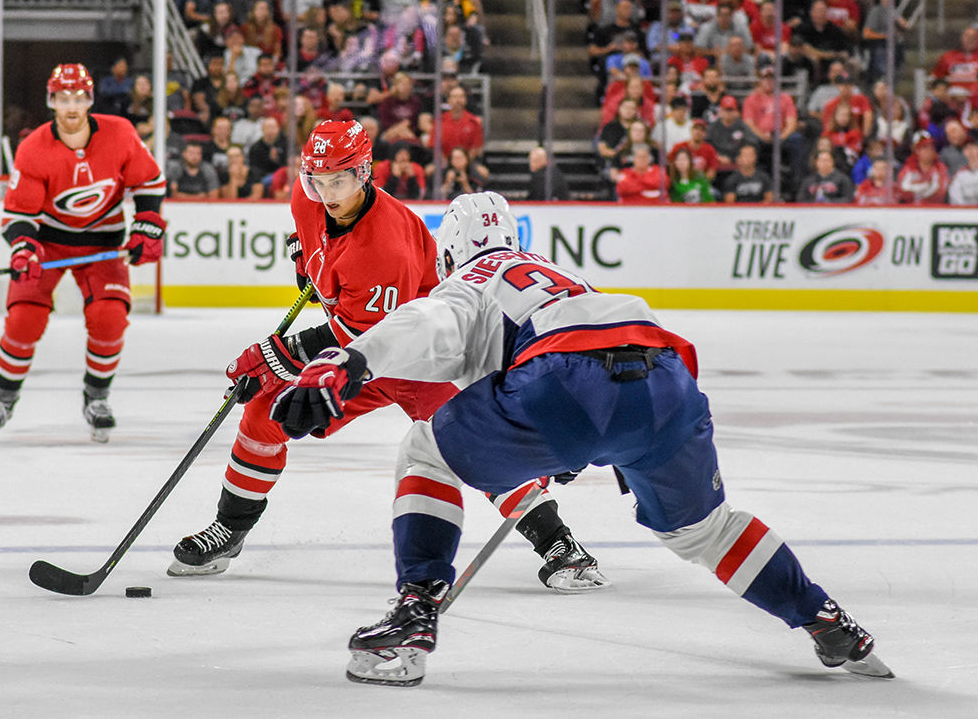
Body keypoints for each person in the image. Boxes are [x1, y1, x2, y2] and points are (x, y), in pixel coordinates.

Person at [265, 192, 887, 687]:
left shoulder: (472, 278)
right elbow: (610, 341)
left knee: (427, 448)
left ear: (451, 253)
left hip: (563, 382)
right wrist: (591, 436)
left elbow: (428, 323)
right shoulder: (564, 276)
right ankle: (826, 620)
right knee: (707, 529)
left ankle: (416, 607)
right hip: (665, 377)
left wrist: (347, 364)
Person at [168, 120, 609, 594]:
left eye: (338, 180)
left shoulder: (387, 246)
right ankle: (230, 529)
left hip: (420, 354)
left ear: (364, 172)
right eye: (317, 180)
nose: (327, 192)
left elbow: (362, 340)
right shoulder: (308, 198)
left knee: (473, 440)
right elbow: (312, 240)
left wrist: (277, 355)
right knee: (263, 414)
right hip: (362, 344)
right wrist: (306, 259)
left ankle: (560, 544)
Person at [0, 64, 166, 443]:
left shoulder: (120, 133)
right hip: (48, 245)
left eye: (79, 98)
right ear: (51, 101)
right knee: (23, 322)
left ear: (91, 100)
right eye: (63, 99)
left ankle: (96, 397)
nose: (72, 107)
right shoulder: (33, 148)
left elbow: (150, 181)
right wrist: (23, 249)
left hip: (103, 245)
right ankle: (2, 399)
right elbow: (19, 215)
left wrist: (145, 224)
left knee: (109, 318)